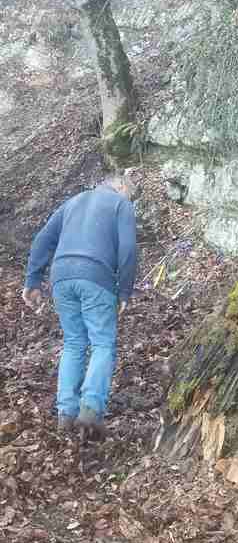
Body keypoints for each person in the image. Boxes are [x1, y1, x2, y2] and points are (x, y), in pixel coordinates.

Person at [22, 172, 140, 437]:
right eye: (130, 193)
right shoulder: (121, 204)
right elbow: (129, 249)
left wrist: (33, 280)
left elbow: (43, 239)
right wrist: (124, 291)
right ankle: (90, 409)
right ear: (121, 186)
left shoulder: (73, 201)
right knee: (102, 343)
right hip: (96, 276)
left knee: (74, 343)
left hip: (61, 277)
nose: (130, 198)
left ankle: (66, 413)